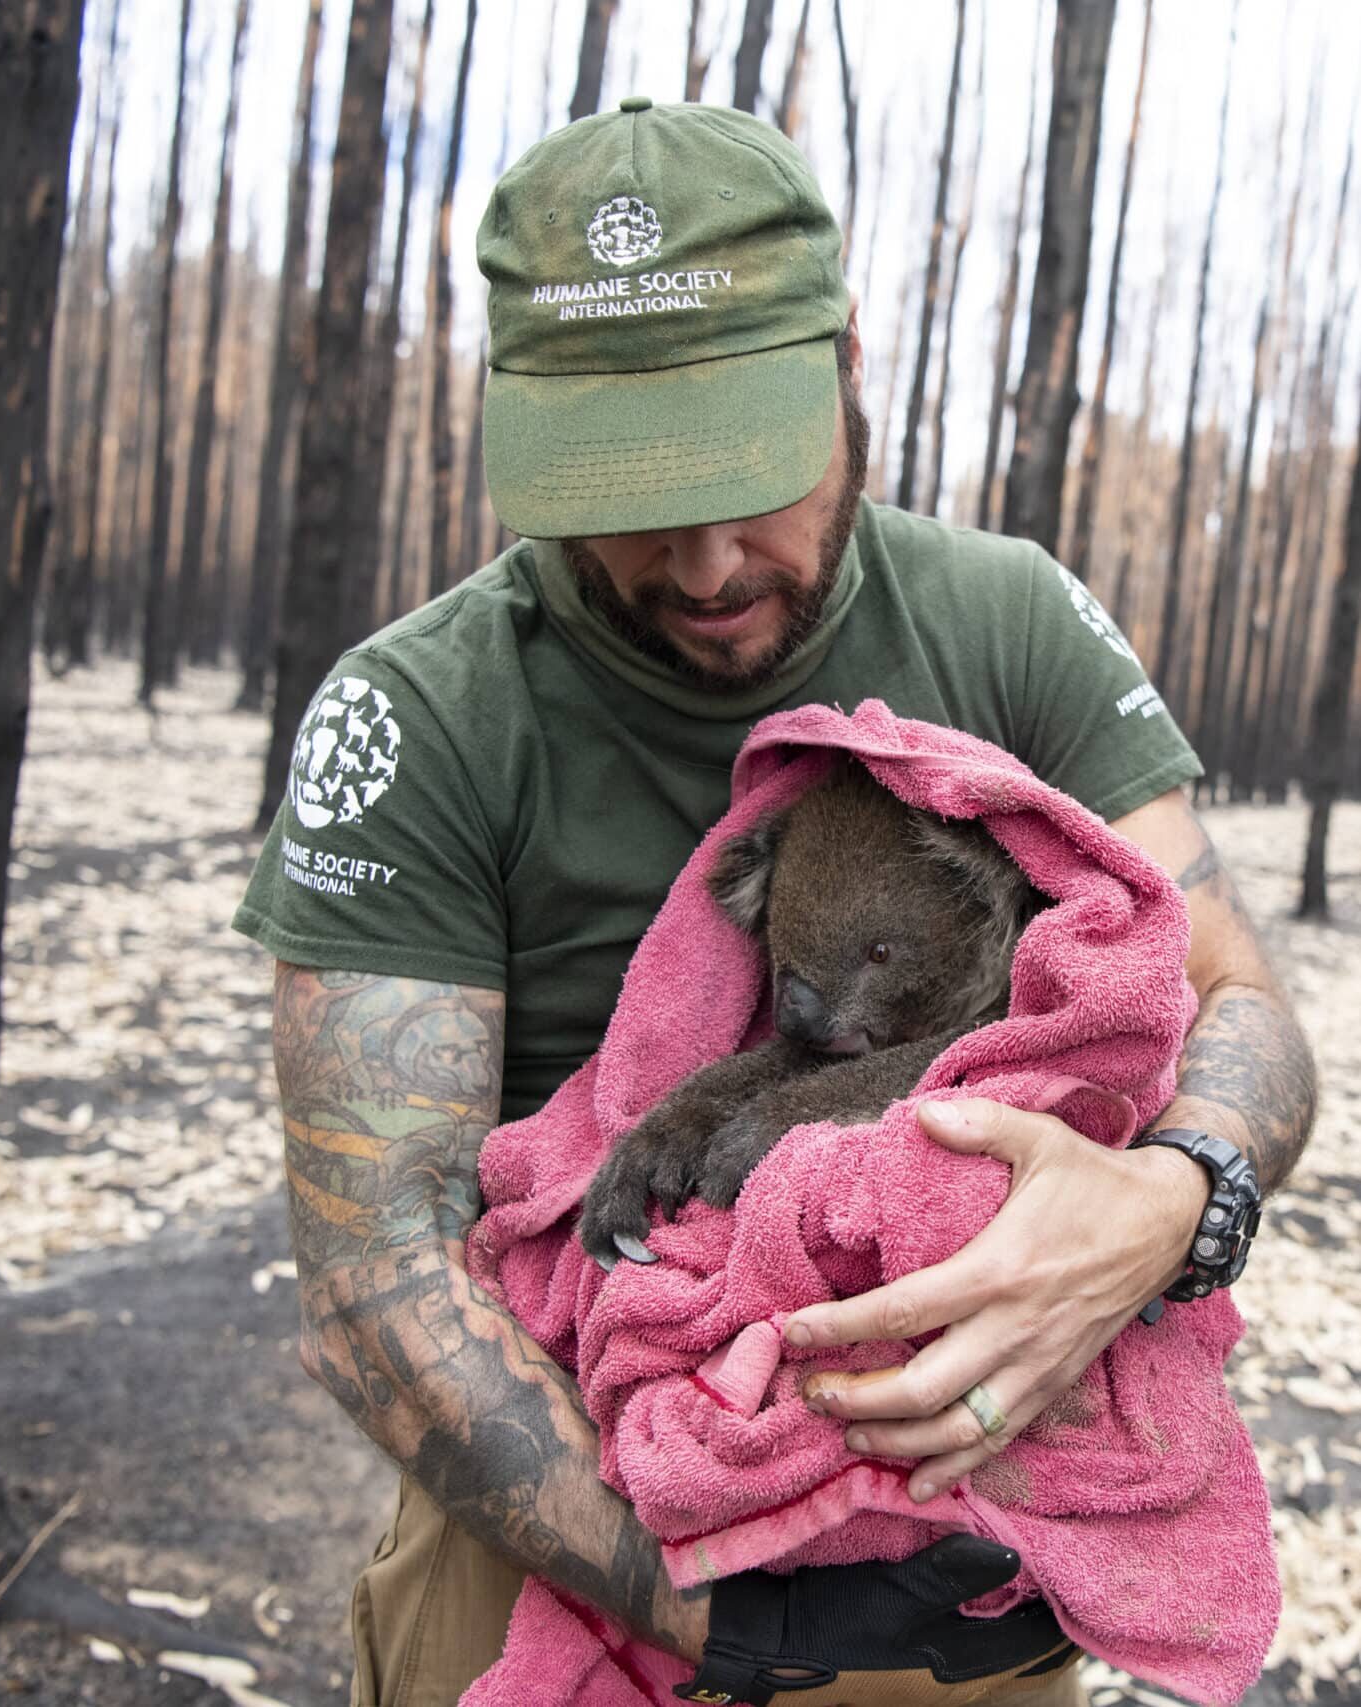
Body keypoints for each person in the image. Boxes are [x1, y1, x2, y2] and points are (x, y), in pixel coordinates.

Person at [235, 100, 1315, 1706]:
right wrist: (708, 1606)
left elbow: (1241, 1009)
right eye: (631, 491)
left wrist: (1168, 1204)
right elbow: (371, 1280)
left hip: (955, 1512)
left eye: (753, 468)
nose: (708, 556)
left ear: (849, 365)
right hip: (560, 1521)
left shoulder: (1008, 627)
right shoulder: (428, 713)